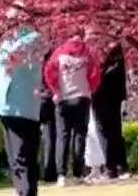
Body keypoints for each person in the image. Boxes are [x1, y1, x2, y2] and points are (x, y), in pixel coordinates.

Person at [0, 3, 47, 196]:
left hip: (23, 106)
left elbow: (11, 61)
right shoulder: (7, 41)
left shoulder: (32, 38)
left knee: (24, 157)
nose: (9, 21)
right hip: (5, 105)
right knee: (14, 159)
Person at [43, 29, 101, 184]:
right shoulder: (88, 53)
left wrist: (55, 90)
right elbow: (95, 74)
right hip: (82, 97)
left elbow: (48, 71)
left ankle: (61, 174)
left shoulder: (59, 52)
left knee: (63, 136)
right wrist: (90, 89)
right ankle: (78, 174)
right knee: (80, 135)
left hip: (63, 99)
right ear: (81, 36)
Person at [92, 39, 131, 181]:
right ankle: (121, 166)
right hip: (114, 99)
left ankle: (111, 168)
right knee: (115, 132)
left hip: (101, 98)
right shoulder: (117, 59)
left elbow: (98, 77)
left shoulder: (104, 61)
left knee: (105, 133)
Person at [39, 80, 58, 185]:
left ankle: (31, 173)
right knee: (50, 137)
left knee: (29, 139)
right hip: (48, 97)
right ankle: (49, 173)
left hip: (35, 98)